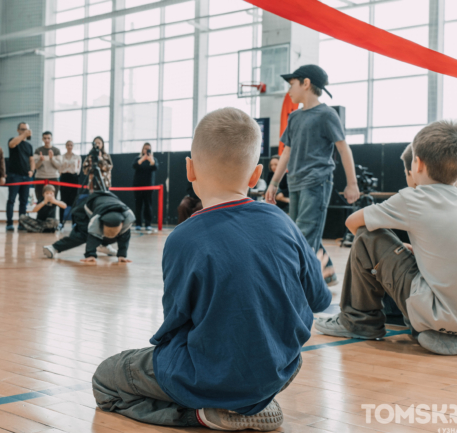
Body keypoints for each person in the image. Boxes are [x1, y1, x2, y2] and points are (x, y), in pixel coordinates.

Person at [91, 108, 330, 431]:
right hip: (280, 372)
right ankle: (246, 403)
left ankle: (203, 415)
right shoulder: (283, 223)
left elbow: (175, 322)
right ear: (255, 175)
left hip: (210, 375)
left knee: (106, 378)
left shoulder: (183, 238)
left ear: (189, 169)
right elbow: (319, 300)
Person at [315, 120, 457, 356]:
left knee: (367, 235)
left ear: (417, 163)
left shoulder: (414, 198)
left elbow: (353, 223)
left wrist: (396, 246)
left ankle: (358, 321)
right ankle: (456, 335)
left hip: (438, 313)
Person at [265, 65, 360, 287]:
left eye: (292, 85)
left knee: (304, 235)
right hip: (296, 182)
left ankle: (299, 286)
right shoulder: (295, 117)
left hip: (317, 182)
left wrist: (352, 183)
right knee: (301, 233)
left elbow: (344, 149)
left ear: (306, 83)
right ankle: (329, 275)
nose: (289, 91)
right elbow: (286, 151)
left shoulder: (327, 115)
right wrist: (274, 183)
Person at [43, 191, 134, 264]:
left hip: (106, 204)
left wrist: (122, 255)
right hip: (84, 212)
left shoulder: (128, 217)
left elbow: (124, 236)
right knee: (83, 235)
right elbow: (93, 234)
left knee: (119, 234)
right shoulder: (96, 219)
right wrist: (91, 255)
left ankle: (103, 246)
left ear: (122, 223)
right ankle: (54, 247)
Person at [6, 122, 35, 231]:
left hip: (26, 176)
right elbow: (12, 145)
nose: (25, 131)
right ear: (18, 130)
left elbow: (31, 160)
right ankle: (9, 223)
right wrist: (24, 135)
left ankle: (22, 223)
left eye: (26, 129)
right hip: (14, 176)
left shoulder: (29, 146)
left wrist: (32, 170)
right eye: (22, 129)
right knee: (11, 200)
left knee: (23, 201)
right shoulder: (13, 140)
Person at [132, 142, 158, 231]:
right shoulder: (138, 158)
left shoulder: (153, 159)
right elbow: (134, 166)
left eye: (148, 148)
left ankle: (148, 224)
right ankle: (138, 224)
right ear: (142, 149)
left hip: (148, 187)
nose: (147, 150)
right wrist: (143, 159)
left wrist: (150, 160)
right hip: (138, 186)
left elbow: (155, 167)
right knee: (138, 206)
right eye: (145, 148)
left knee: (148, 206)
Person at [34, 131, 62, 202]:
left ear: (51, 139)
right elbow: (36, 166)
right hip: (40, 177)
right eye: (45, 138)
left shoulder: (56, 150)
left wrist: (52, 158)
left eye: (48, 138)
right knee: (40, 200)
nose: (47, 140)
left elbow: (59, 166)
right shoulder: (38, 150)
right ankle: (40, 213)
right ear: (42, 139)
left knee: (53, 200)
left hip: (53, 177)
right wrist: (40, 160)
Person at [58, 140, 81, 226]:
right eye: (68, 145)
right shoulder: (61, 157)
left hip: (73, 178)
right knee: (63, 199)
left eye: (71, 145)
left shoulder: (77, 157)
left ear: (73, 146)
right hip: (64, 177)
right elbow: (59, 167)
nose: (69, 146)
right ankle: (60, 222)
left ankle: (74, 222)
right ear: (66, 146)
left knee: (74, 201)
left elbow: (78, 169)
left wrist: (75, 174)